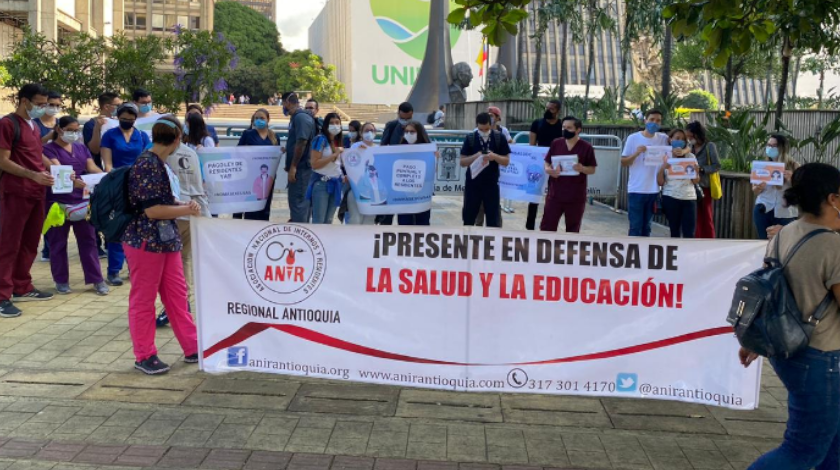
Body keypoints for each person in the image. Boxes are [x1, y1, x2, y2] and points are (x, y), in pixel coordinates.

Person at [741, 163, 840, 470]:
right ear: (833, 199)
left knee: (832, 447)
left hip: (788, 350)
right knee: (802, 451)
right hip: (822, 358)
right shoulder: (832, 245)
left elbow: (771, 292)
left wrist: (753, 341)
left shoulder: (785, 234)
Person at [123, 118, 199, 374]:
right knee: (144, 299)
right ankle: (144, 355)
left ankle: (192, 346)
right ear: (177, 139)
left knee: (177, 296)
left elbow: (161, 200)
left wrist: (183, 205)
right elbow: (153, 210)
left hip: (166, 240)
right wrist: (185, 209)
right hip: (145, 241)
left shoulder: (159, 162)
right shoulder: (147, 164)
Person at [0, 83, 55, 318]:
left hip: (36, 192)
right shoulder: (7, 124)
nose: (43, 108)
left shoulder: (32, 126)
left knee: (30, 242)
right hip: (15, 192)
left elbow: (35, 153)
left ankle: (21, 285)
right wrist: (32, 175)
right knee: (8, 244)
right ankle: (2, 295)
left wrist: (56, 169)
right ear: (24, 101)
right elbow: (3, 160)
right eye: (40, 104)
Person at [42, 116, 109, 296]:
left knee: (89, 241)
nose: (73, 134)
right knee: (57, 243)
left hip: (82, 201)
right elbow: (57, 169)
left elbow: (91, 167)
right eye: (69, 130)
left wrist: (105, 177)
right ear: (59, 129)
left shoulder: (81, 148)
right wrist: (74, 181)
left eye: (76, 130)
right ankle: (61, 280)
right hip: (57, 204)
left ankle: (97, 279)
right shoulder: (48, 149)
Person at [157, 114, 210, 328]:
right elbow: (200, 183)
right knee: (184, 259)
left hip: (173, 213)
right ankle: (182, 303)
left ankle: (176, 305)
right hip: (193, 211)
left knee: (170, 263)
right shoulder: (191, 153)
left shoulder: (160, 155)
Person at [101, 103, 152, 286]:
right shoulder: (109, 135)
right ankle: (114, 270)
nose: (127, 122)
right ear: (118, 117)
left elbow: (146, 159)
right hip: (117, 185)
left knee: (137, 229)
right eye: (123, 119)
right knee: (117, 228)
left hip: (137, 186)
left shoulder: (142, 136)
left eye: (130, 119)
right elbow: (107, 164)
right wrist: (116, 178)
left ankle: (134, 268)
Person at [539, 116, 597, 233]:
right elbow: (547, 162)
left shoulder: (586, 147)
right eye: (563, 127)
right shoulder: (556, 143)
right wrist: (548, 169)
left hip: (575, 196)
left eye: (569, 128)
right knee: (547, 227)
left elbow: (592, 169)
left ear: (578, 130)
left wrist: (582, 168)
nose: (565, 130)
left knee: (572, 230)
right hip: (555, 194)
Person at [84, 92, 122, 259]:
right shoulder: (91, 124)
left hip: (116, 172)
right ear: (107, 106)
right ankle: (96, 244)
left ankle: (110, 241)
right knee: (97, 208)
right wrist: (98, 128)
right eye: (117, 105)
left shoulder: (121, 123)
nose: (120, 108)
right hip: (97, 173)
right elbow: (93, 149)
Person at [621, 109, 669, 237]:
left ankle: (644, 249)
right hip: (636, 189)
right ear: (645, 120)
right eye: (652, 119)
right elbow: (623, 162)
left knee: (647, 227)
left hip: (654, 190)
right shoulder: (633, 138)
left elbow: (681, 145)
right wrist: (636, 153)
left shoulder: (663, 138)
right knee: (635, 226)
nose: (654, 123)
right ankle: (633, 249)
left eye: (658, 121)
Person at [460, 112, 511, 227]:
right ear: (477, 126)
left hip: (491, 184)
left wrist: (494, 156)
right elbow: (462, 162)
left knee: (493, 218)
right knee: (469, 217)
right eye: (481, 129)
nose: (484, 132)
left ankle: (492, 237)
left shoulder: (499, 137)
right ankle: (469, 236)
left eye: (487, 129)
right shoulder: (471, 138)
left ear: (491, 125)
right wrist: (476, 156)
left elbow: (506, 161)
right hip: (473, 183)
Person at [233, 109, 281, 221]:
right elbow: (238, 152)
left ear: (268, 119)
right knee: (251, 203)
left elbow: (276, 155)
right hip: (250, 176)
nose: (259, 120)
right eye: (257, 118)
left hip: (267, 177)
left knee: (265, 205)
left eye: (262, 118)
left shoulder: (274, 137)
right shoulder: (247, 134)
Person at [752, 134, 799, 240]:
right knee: (764, 242)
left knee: (785, 243)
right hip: (763, 209)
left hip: (786, 212)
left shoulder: (794, 165)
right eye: (768, 145)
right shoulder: (762, 166)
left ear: (782, 148)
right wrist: (759, 187)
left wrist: (792, 179)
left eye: (774, 146)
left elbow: (802, 189)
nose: (770, 148)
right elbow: (754, 190)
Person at [527, 99, 564, 230]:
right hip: (539, 162)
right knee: (534, 194)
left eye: (551, 109)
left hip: (555, 163)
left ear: (558, 111)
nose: (548, 110)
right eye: (547, 107)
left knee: (553, 195)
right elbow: (532, 145)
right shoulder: (537, 123)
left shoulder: (562, 126)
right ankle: (530, 225)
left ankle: (547, 224)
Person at [35, 91, 63, 261]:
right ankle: (47, 249)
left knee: (57, 211)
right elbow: (33, 146)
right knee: (45, 212)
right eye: (51, 104)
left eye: (58, 105)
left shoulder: (61, 124)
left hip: (60, 172)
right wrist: (49, 136)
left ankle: (54, 248)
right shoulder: (35, 124)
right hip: (40, 172)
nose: (54, 108)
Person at [657, 129, 700, 238]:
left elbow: (695, 181)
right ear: (670, 139)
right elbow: (660, 182)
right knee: (674, 231)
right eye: (677, 138)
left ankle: (688, 250)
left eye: (683, 139)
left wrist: (696, 173)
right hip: (671, 197)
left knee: (689, 233)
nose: (680, 141)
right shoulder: (665, 157)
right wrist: (663, 168)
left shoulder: (691, 157)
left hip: (689, 198)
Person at [378, 102, 415, 225]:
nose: (405, 121)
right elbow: (383, 146)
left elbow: (425, 146)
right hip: (391, 173)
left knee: (406, 215)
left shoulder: (417, 127)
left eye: (408, 118)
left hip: (409, 174)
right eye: (403, 118)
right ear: (398, 113)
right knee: (388, 212)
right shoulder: (392, 125)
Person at [685, 121, 721, 238]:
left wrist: (701, 169)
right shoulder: (689, 148)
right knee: (694, 217)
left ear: (697, 134)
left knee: (706, 215)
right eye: (688, 136)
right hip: (691, 187)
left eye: (691, 136)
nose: (689, 139)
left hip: (704, 187)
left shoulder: (709, 146)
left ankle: (709, 240)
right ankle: (697, 239)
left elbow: (717, 165)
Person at [307, 113, 344, 224]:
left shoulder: (337, 140)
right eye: (331, 123)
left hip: (336, 182)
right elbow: (314, 164)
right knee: (319, 220)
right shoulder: (320, 139)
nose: (335, 125)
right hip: (322, 183)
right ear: (326, 125)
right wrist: (334, 154)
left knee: (328, 220)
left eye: (337, 123)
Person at [283, 94, 315, 223]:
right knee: (297, 203)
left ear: (287, 102)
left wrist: (293, 167)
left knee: (299, 203)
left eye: (283, 104)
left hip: (301, 169)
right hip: (300, 168)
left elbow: (302, 142)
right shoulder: (296, 118)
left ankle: (299, 230)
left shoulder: (300, 117)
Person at [398, 122, 437, 226]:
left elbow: (433, 171)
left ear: (419, 133)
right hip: (404, 195)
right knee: (404, 223)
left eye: (412, 132)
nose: (409, 134)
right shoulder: (398, 150)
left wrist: (435, 158)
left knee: (422, 223)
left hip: (422, 194)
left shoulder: (428, 150)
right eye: (406, 131)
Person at [344, 123, 378, 225]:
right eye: (366, 130)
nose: (369, 133)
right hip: (356, 189)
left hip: (373, 191)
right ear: (361, 133)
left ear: (375, 132)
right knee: (355, 219)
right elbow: (351, 165)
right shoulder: (355, 146)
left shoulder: (379, 149)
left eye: (372, 130)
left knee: (369, 221)